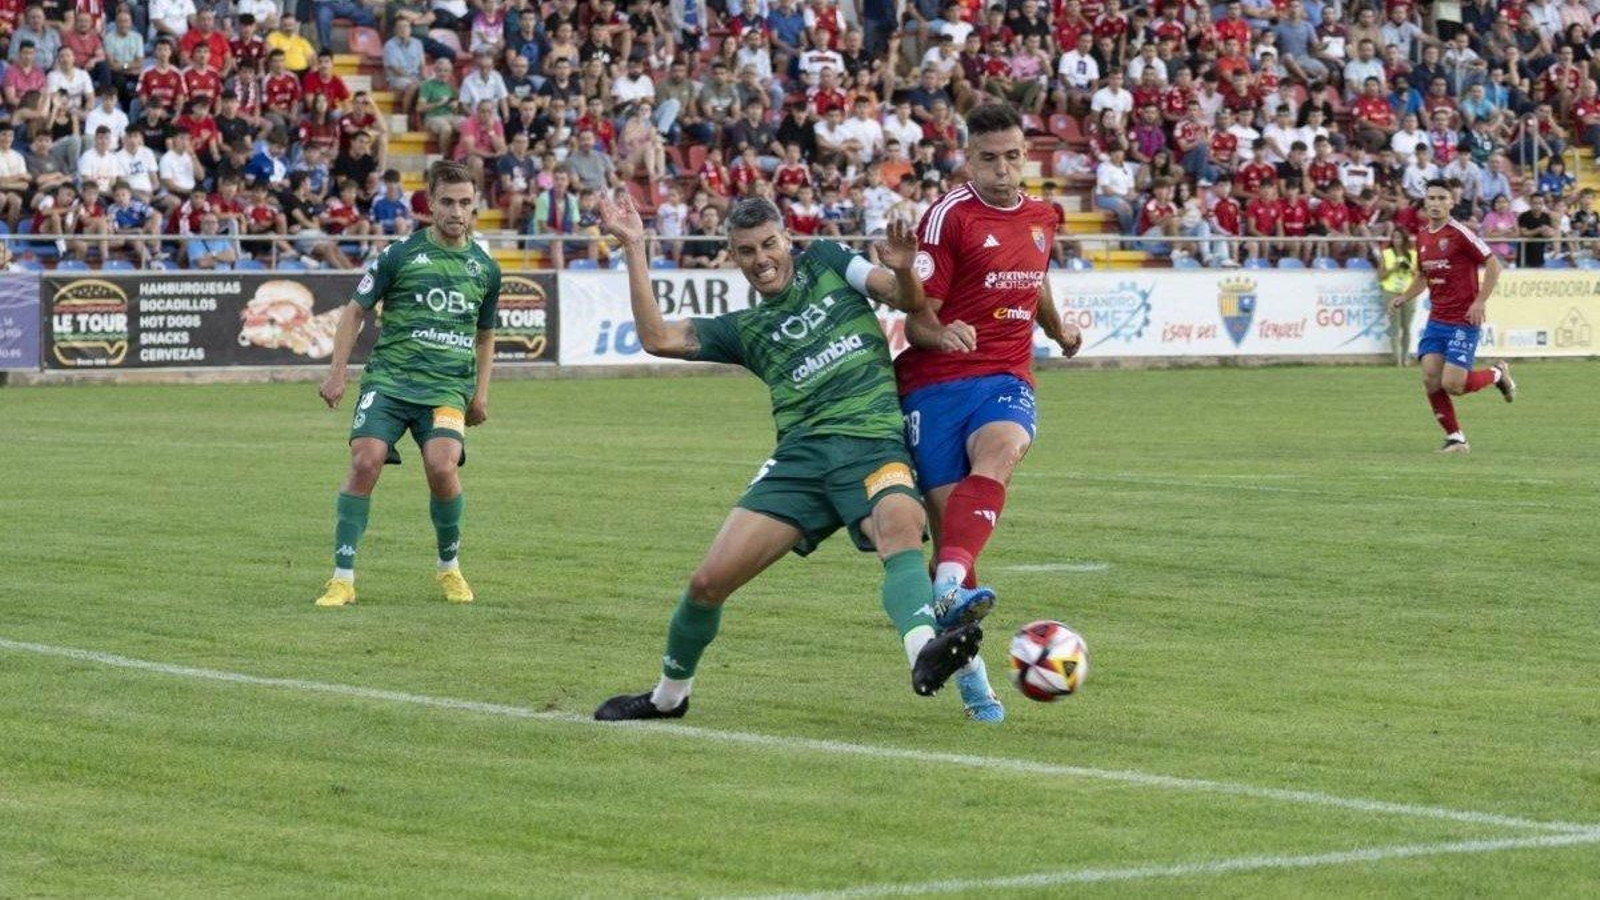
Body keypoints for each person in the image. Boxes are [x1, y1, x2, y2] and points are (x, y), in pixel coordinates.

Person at [591, 194, 983, 721]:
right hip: (801, 462)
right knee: (707, 584)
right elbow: (657, 338)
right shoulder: (744, 329)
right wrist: (635, 246)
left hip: (873, 445)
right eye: (747, 251)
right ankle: (668, 698)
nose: (761, 259)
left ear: (787, 240)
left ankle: (923, 653)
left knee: (900, 524)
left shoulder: (828, 260)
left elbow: (907, 300)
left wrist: (905, 269)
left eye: (769, 244)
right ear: (734, 257)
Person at [896, 103, 1082, 723]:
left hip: (1005, 375)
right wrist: (940, 333)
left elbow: (1037, 276)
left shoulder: (1042, 216)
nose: (1002, 169)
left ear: (1026, 155)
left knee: (1003, 447)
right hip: (934, 385)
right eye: (989, 158)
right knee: (954, 536)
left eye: (1012, 156)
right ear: (967, 159)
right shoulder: (948, 217)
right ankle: (975, 685)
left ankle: (949, 584)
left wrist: (1057, 328)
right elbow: (916, 318)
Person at [313, 160, 502, 607]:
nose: (457, 212)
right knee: (365, 461)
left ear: (474, 205)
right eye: (447, 202)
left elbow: (485, 335)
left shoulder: (485, 268)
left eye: (465, 203)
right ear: (430, 204)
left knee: (442, 466)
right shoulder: (399, 255)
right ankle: (342, 579)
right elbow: (355, 311)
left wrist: (480, 395)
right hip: (390, 381)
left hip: (446, 389)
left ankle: (449, 568)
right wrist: (338, 372)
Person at [1385, 179, 1516, 454]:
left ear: (1452, 202)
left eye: (1442, 198)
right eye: (1431, 198)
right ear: (1425, 202)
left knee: (1454, 385)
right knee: (1430, 379)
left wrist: (1480, 301)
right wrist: (1404, 296)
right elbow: (1423, 275)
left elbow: (1494, 265)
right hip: (1437, 320)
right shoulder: (1422, 235)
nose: (1436, 203)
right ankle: (1456, 438)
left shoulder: (1460, 233)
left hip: (1463, 319)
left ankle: (1497, 373)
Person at [1375, 229, 1418, 367]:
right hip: (1391, 292)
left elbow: (1419, 276)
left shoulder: (1413, 254)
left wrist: (1409, 267)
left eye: (1399, 237)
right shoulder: (1386, 253)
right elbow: (1380, 276)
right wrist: (1393, 268)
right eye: (1394, 238)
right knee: (1395, 327)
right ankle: (1397, 359)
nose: (1396, 240)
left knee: (1406, 327)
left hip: (1408, 293)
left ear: (1404, 239)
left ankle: (1405, 358)